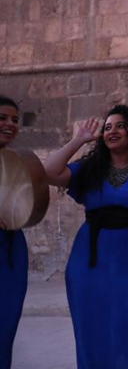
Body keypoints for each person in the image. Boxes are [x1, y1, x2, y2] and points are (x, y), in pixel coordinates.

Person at [43, 105, 128, 369]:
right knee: (94, 328)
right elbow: (48, 173)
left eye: (120, 125)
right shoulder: (89, 169)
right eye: (107, 127)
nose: (112, 131)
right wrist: (77, 140)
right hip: (90, 259)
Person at [0, 96, 26, 369]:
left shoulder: (14, 160)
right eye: (3, 118)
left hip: (11, 249)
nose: (10, 124)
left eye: (15, 120)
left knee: (5, 330)